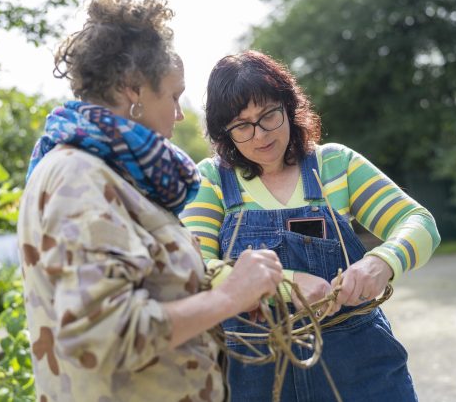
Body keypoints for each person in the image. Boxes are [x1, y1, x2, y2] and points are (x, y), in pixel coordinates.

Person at [17, 0, 284, 402]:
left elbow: (149, 282)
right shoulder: (79, 176)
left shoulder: (111, 170)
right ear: (134, 90)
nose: (179, 114)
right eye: (174, 96)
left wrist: (225, 286)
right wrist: (230, 297)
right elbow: (98, 336)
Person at [180, 50, 441, 401]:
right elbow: (193, 269)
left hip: (361, 369)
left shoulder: (335, 164)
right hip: (254, 374)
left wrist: (381, 263)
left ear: (288, 106)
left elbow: (419, 222)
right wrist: (287, 287)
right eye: (242, 125)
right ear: (224, 132)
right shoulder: (210, 180)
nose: (260, 135)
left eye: (269, 115)